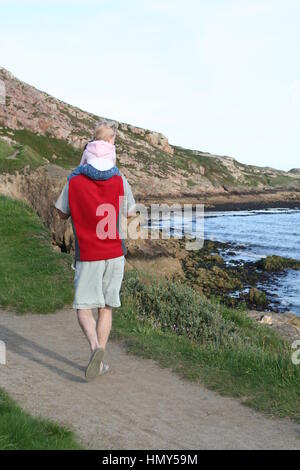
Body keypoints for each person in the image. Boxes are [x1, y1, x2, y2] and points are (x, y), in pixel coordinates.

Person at [55, 122, 135, 380]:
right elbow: (130, 212)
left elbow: (60, 213)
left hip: (89, 254)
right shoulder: (120, 179)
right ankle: (99, 360)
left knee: (83, 307)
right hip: (114, 253)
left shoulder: (74, 180)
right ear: (110, 146)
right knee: (106, 308)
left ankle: (95, 350)